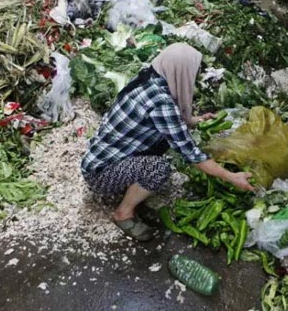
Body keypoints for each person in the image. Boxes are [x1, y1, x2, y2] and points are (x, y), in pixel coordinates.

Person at [81, 43, 254, 241]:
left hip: (99, 159)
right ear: (180, 71)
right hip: (100, 174)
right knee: (159, 168)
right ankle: (123, 213)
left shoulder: (149, 78)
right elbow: (191, 153)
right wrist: (231, 177)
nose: (193, 76)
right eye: (192, 71)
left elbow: (168, 121)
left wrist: (195, 121)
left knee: (160, 149)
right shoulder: (161, 101)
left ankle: (130, 184)